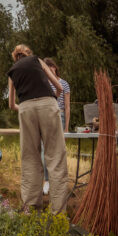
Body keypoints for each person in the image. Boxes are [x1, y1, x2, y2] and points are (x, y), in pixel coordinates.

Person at [7, 44, 68, 214]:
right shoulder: (37, 61)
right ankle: (58, 213)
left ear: (15, 57)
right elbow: (60, 88)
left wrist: (27, 109)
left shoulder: (12, 71)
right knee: (55, 157)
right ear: (28, 53)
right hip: (48, 105)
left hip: (25, 108)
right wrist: (50, 101)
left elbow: (12, 105)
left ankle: (31, 209)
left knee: (30, 158)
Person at [41, 58, 71, 195]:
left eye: (51, 66)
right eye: (47, 68)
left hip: (60, 116)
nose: (50, 69)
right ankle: (47, 180)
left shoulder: (63, 83)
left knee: (59, 151)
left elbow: (67, 106)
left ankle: (59, 182)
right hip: (45, 116)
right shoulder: (42, 82)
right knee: (44, 150)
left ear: (55, 67)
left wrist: (66, 129)